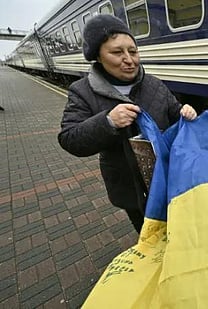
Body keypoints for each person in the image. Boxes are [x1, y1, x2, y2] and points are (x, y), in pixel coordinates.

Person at [57, 14, 197, 233]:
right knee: (148, 234)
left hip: (169, 178)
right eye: (116, 52)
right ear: (98, 56)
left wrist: (185, 112)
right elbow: (69, 138)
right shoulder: (81, 91)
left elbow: (174, 113)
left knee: (181, 229)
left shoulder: (154, 84)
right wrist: (108, 122)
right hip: (128, 187)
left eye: (133, 51)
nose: (129, 59)